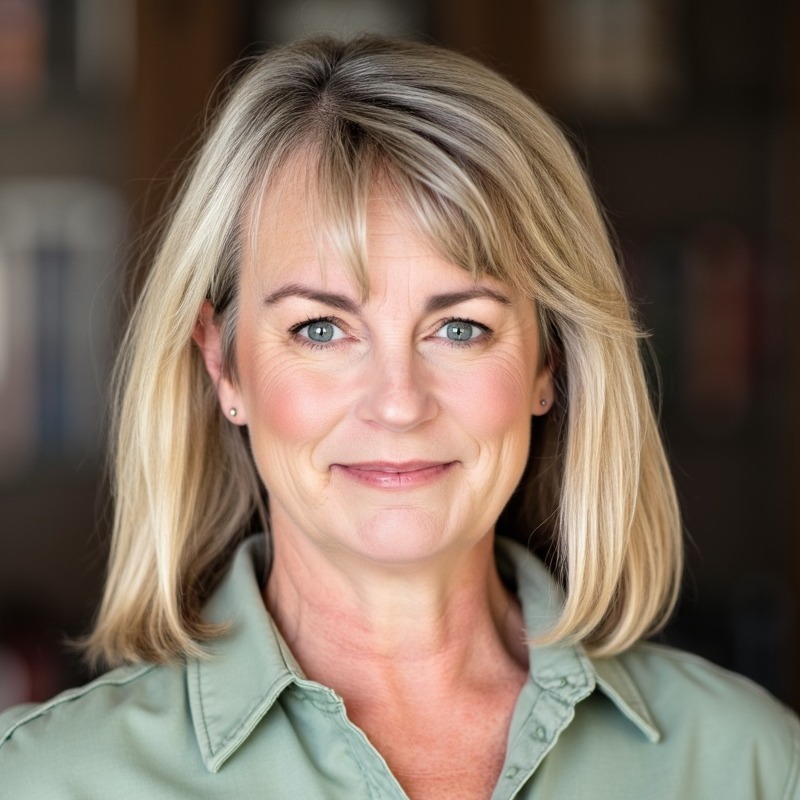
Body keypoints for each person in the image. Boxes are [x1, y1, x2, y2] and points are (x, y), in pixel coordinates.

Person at [0, 34, 797, 799]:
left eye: (460, 328)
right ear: (223, 364)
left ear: (548, 363)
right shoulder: (46, 782)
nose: (397, 402)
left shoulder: (749, 764)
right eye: (321, 328)